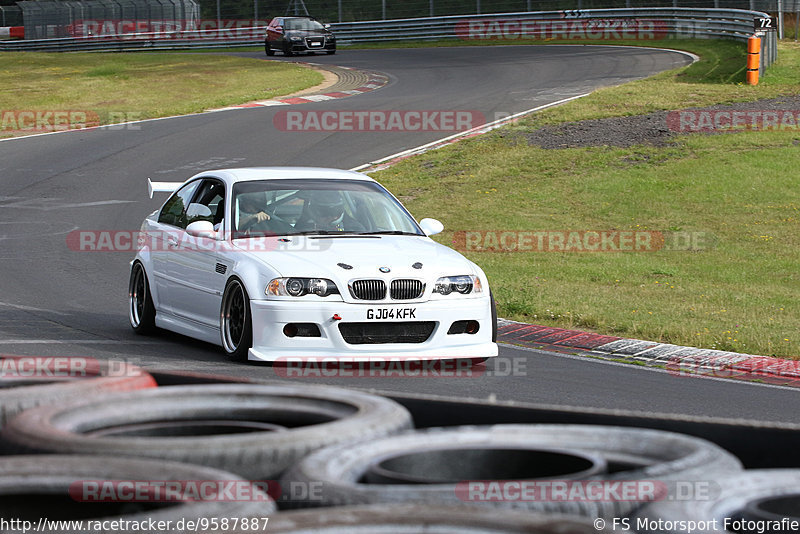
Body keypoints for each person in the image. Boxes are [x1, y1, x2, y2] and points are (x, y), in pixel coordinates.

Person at [296, 191, 366, 233]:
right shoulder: (299, 231)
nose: (330, 217)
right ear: (313, 211)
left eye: (335, 212)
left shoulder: (356, 229)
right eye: (324, 212)